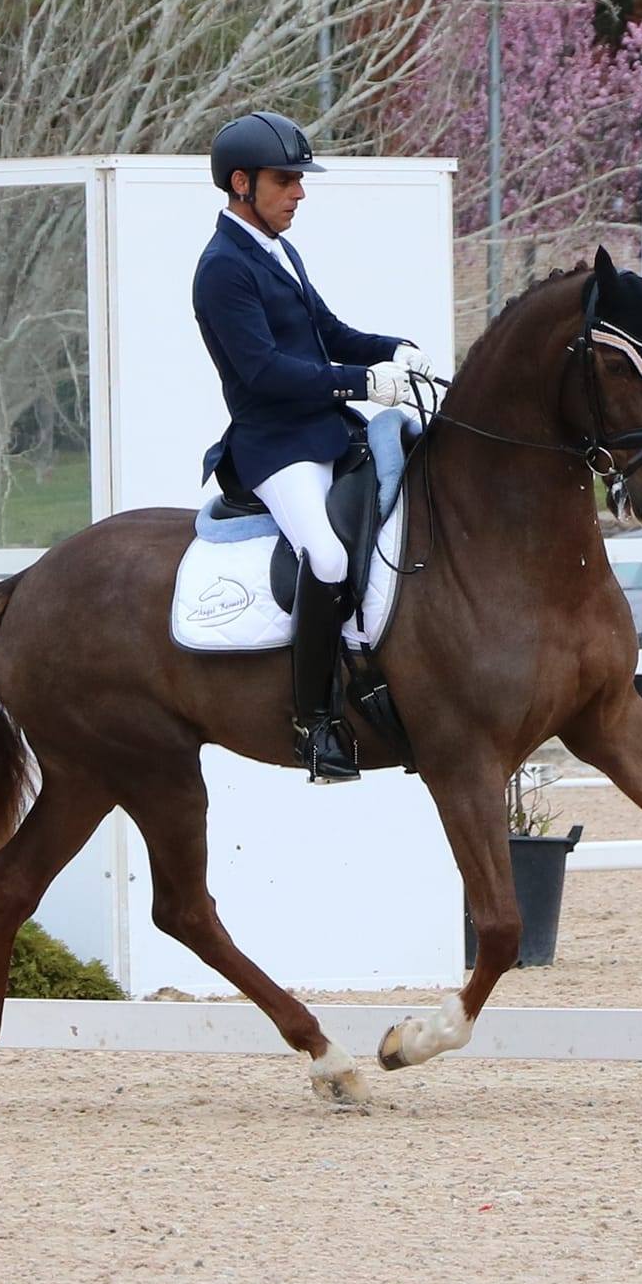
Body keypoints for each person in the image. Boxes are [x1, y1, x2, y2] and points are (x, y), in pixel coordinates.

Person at [193, 110, 432, 784]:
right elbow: (266, 370)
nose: (299, 192)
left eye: (299, 179)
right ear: (242, 184)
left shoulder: (276, 250)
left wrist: (394, 351)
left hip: (327, 431)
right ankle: (315, 722)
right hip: (274, 447)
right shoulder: (221, 269)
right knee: (325, 557)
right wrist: (363, 382)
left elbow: (327, 331)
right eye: (286, 180)